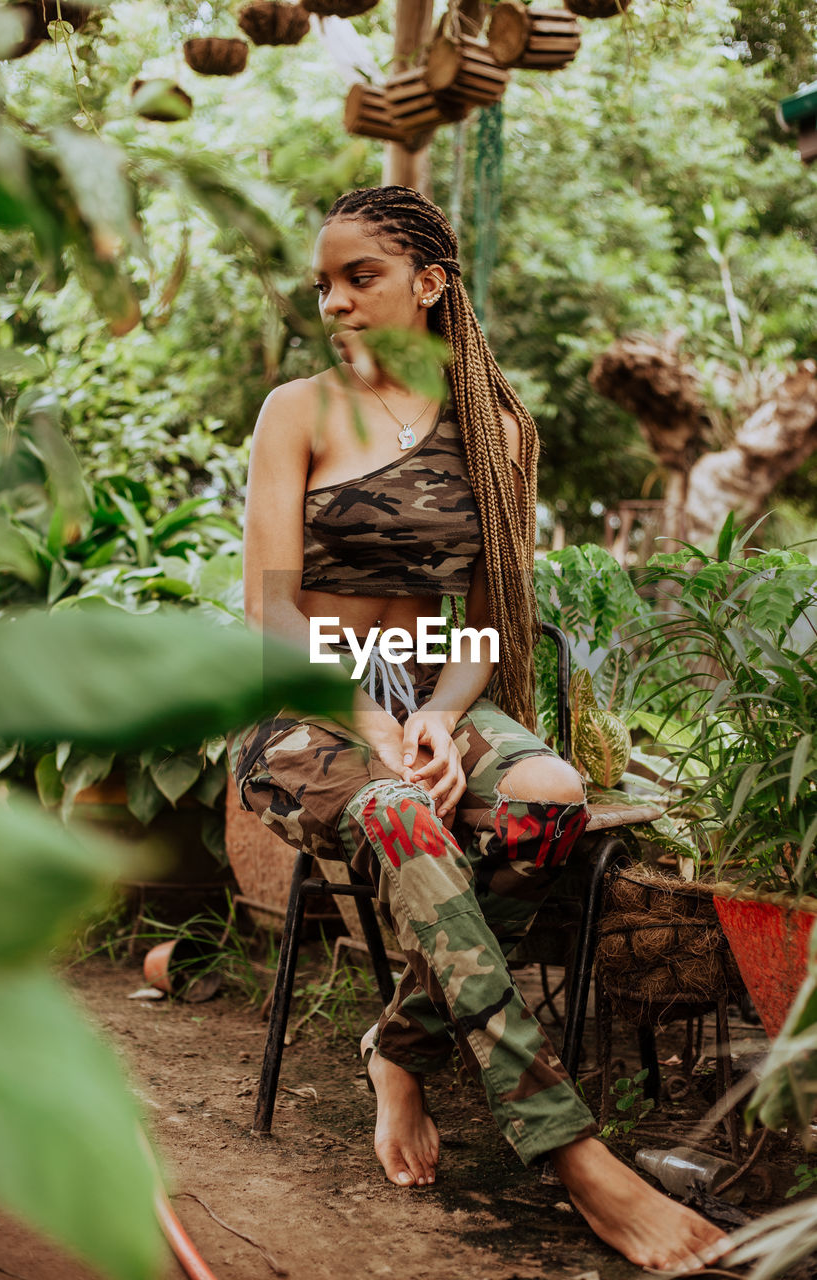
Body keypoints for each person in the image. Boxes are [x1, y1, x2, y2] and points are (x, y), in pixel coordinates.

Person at [231, 184, 729, 1273]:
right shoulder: (298, 410)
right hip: (308, 703)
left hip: (432, 692)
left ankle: (398, 1045)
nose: (335, 302)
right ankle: (570, 1150)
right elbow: (267, 614)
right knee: (406, 815)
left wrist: (448, 720)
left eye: (358, 276)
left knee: (548, 800)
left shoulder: (492, 421)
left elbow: (489, 623)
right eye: (323, 283)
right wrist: (374, 713)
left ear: (429, 282)